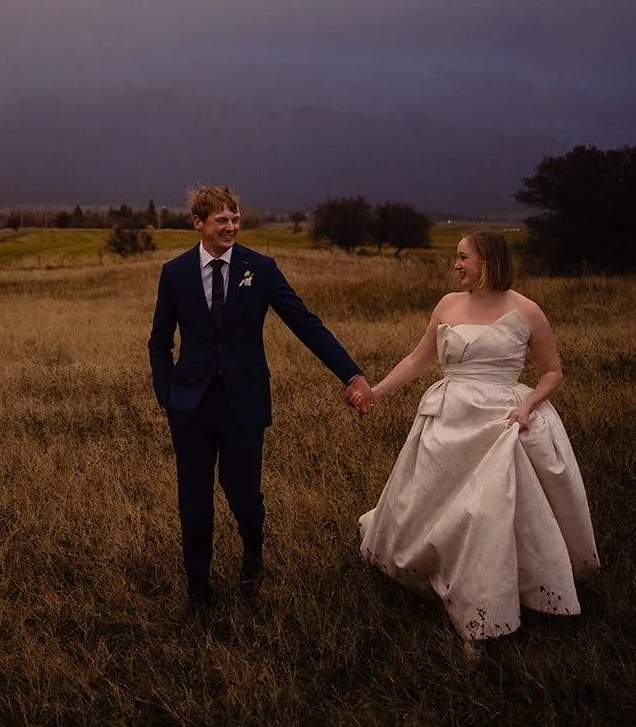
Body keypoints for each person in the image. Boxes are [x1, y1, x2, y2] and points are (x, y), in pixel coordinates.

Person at [358, 228, 598, 647]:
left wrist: (527, 406)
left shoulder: (527, 311)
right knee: (436, 504)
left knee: (486, 513)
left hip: (502, 420)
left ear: (486, 260)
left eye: (463, 257)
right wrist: (376, 391)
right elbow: (417, 359)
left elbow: (552, 371)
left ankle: (491, 603)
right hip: (448, 418)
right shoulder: (448, 305)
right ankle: (438, 572)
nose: (456, 265)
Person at [149, 185, 373, 610]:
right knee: (193, 502)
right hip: (190, 407)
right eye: (222, 220)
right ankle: (198, 590)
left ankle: (253, 556)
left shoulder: (260, 268)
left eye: (235, 219)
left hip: (243, 405)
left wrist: (351, 374)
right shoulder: (175, 273)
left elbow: (307, 324)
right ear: (199, 224)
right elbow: (159, 342)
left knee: (244, 497)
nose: (231, 226)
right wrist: (166, 391)